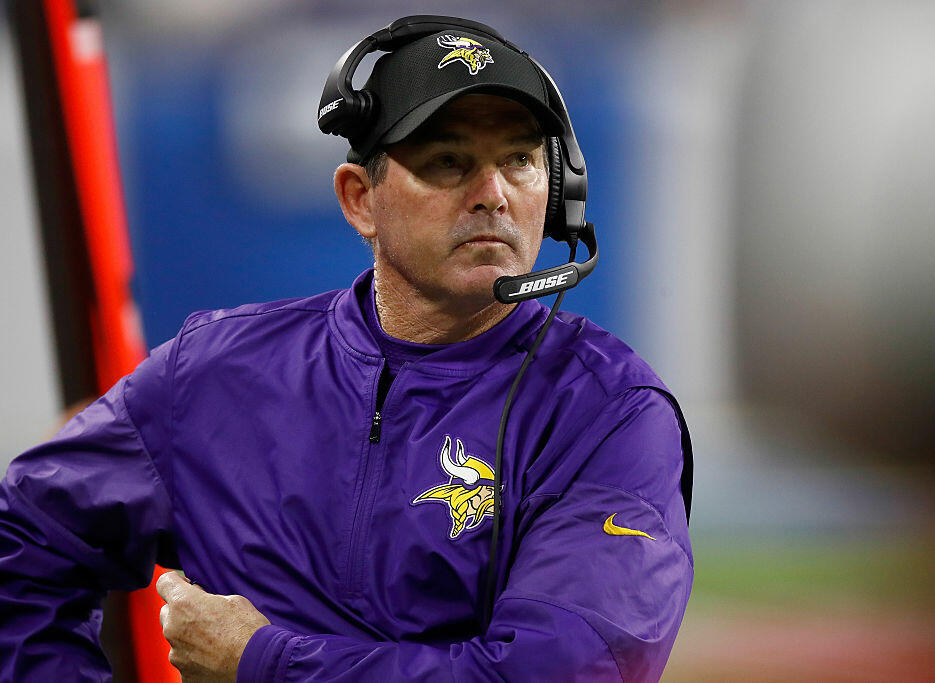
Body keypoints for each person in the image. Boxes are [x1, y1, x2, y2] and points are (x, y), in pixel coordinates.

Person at [0, 16, 693, 682]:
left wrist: (265, 662)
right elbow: (22, 537)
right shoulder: (211, 373)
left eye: (518, 159)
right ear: (360, 198)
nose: (494, 194)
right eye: (449, 161)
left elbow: (561, 671)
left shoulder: (608, 413)